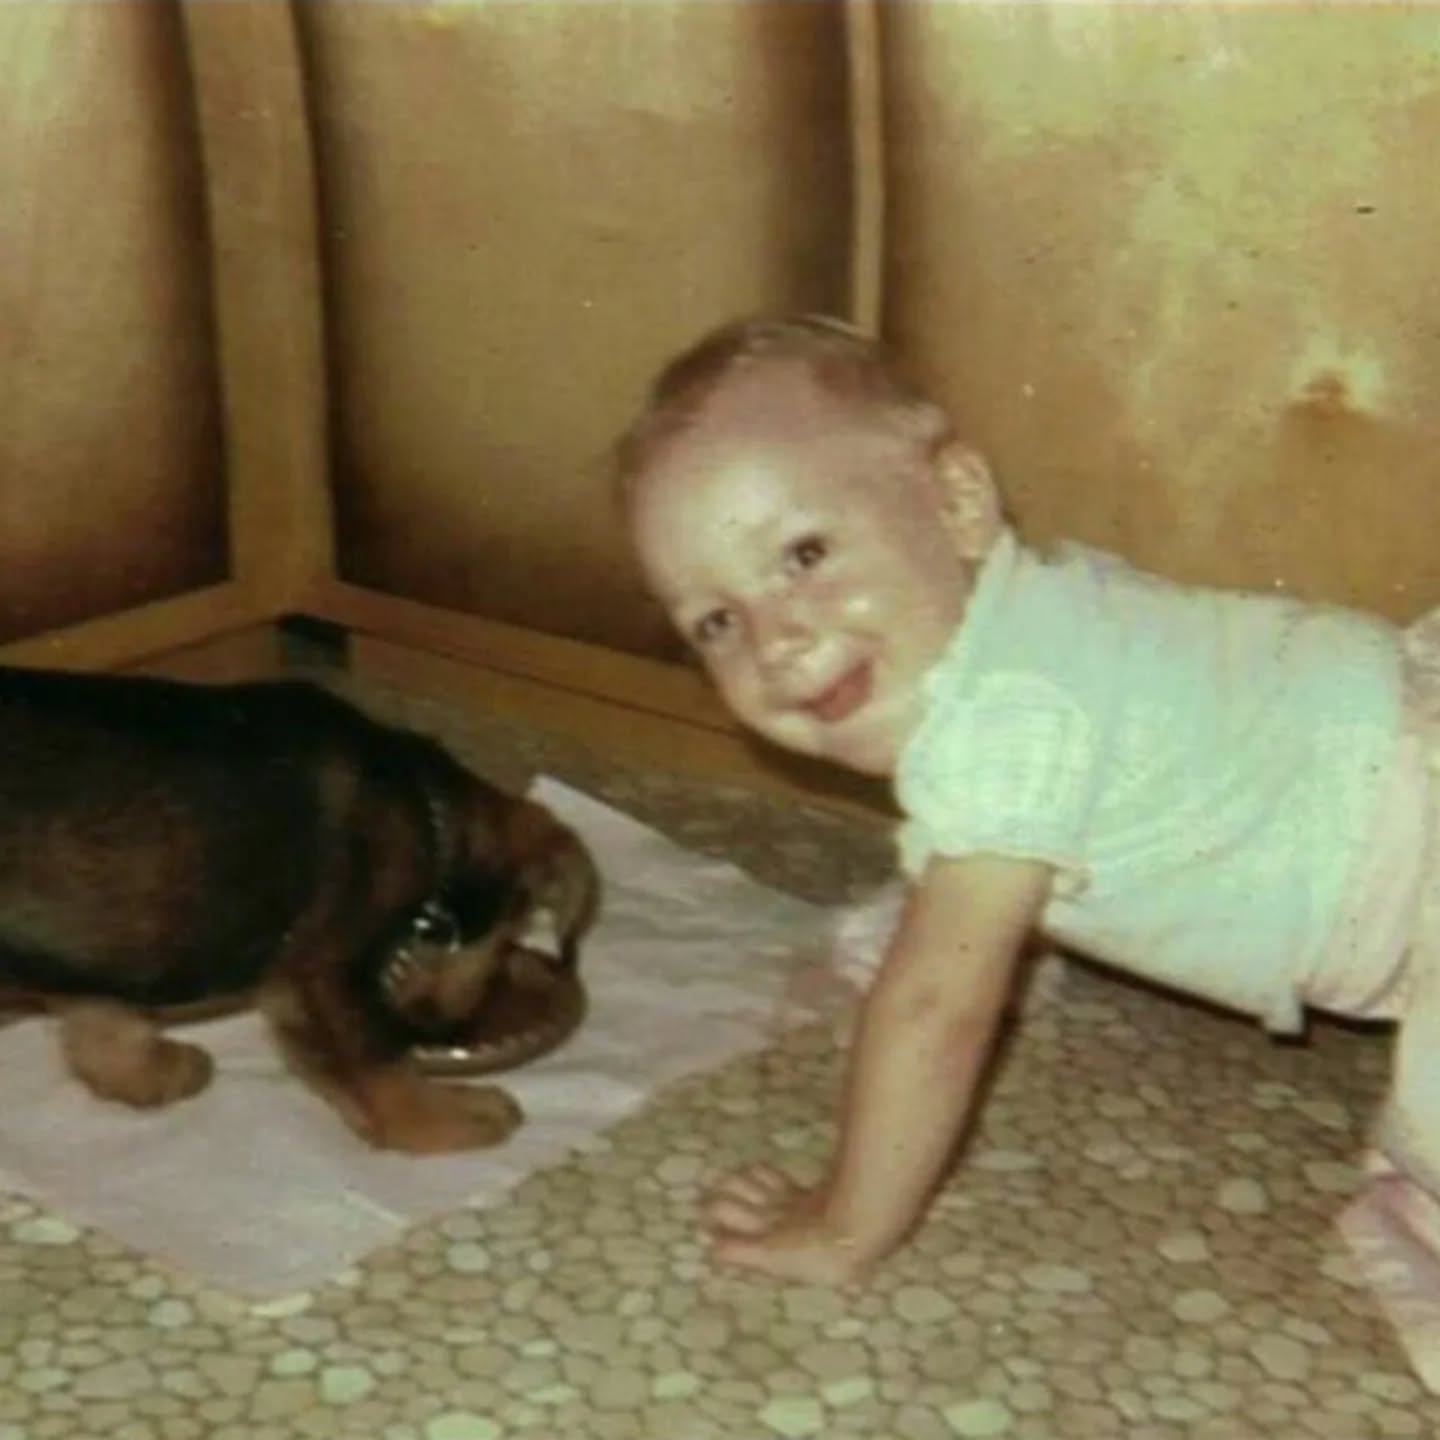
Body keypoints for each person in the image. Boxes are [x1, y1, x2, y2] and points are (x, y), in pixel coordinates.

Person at [615, 313, 1440, 1388]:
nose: (779, 637)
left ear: (957, 502)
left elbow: (936, 1008)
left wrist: (841, 1226)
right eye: (715, 621)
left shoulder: (1000, 729)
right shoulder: (1041, 607)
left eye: (805, 555)